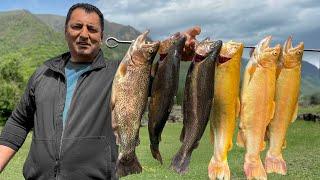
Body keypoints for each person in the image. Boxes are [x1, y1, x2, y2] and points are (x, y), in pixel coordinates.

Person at [0, 3, 201, 180]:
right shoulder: (43, 73)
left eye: (92, 29)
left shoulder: (120, 73)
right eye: (77, 26)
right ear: (66, 31)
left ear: (102, 37)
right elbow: (18, 123)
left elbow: (161, 89)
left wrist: (173, 55)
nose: (84, 34)